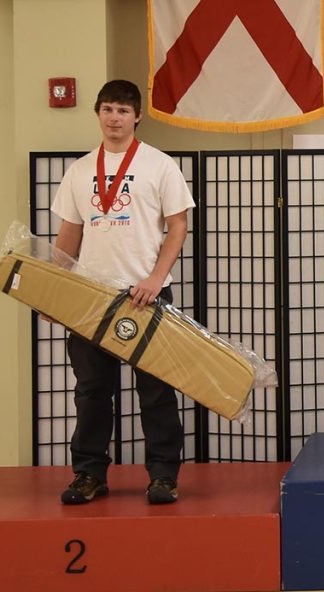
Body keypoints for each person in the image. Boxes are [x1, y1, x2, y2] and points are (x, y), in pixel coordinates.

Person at [50, 80, 195, 504]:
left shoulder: (159, 165)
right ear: (98, 114)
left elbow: (179, 225)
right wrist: (55, 294)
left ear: (137, 117)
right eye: (108, 109)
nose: (115, 118)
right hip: (91, 298)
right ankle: (89, 474)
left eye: (123, 111)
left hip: (145, 296)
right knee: (92, 392)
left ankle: (163, 476)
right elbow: (69, 235)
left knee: (156, 391)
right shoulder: (79, 170)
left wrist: (154, 278)